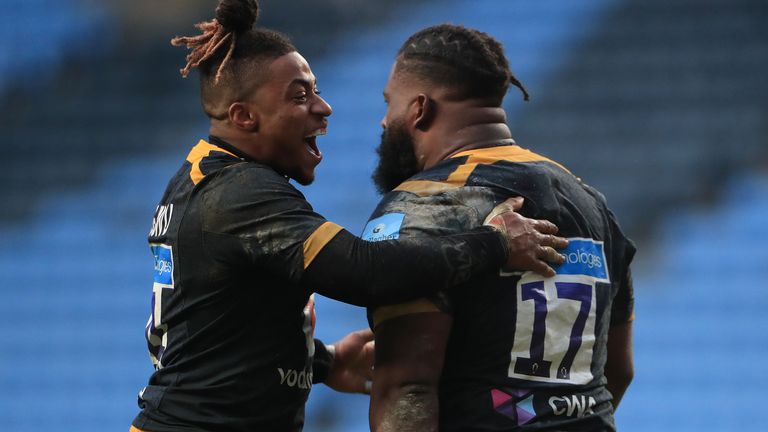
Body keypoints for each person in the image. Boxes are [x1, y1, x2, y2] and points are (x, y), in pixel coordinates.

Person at [130, 2, 570, 432]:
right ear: (244, 116)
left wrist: (324, 362)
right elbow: (366, 272)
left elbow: (218, 327)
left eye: (316, 89)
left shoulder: (204, 178)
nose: (324, 107)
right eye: (300, 96)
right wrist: (495, 243)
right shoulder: (240, 193)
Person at [366, 24, 636, 432]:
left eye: (391, 104)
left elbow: (407, 387)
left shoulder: (421, 205)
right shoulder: (592, 203)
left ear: (419, 108)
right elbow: (619, 370)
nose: (386, 121)